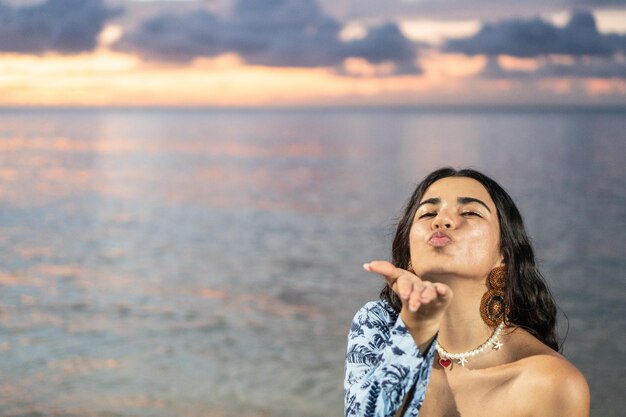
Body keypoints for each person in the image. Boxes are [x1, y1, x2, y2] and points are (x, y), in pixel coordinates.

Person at [344, 167, 589, 417]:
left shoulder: (550, 384)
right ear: (408, 255)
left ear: (505, 253)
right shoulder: (377, 327)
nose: (442, 220)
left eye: (470, 212)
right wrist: (415, 328)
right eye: (428, 213)